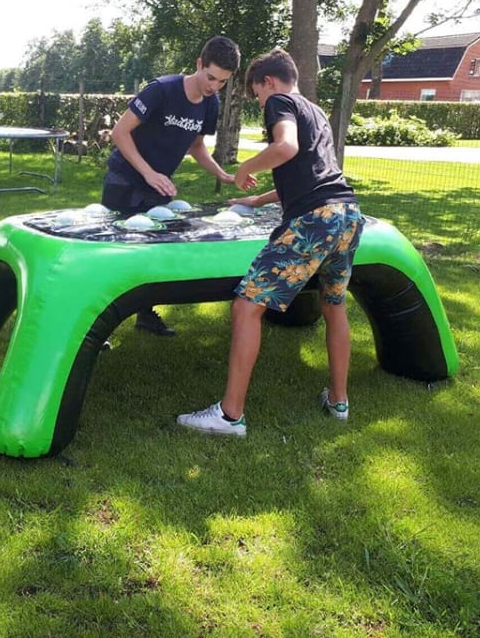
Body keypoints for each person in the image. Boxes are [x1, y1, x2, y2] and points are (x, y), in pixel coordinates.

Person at [177, 47, 365, 437]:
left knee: (247, 306)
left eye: (257, 95)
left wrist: (246, 167)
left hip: (315, 220)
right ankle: (339, 401)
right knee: (333, 306)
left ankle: (230, 416)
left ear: (268, 82)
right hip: (346, 215)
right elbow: (312, 175)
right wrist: (257, 200)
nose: (261, 104)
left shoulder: (280, 101)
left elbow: (286, 148)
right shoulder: (316, 112)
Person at [102, 35, 245, 337]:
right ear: (199, 64)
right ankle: (97, 329)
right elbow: (119, 133)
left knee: (153, 251)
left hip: (156, 184)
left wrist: (223, 175)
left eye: (222, 81)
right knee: (112, 253)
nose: (214, 86)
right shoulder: (161, 90)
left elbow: (196, 146)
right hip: (124, 179)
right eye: (211, 77)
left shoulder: (211, 103)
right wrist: (149, 173)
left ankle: (145, 315)